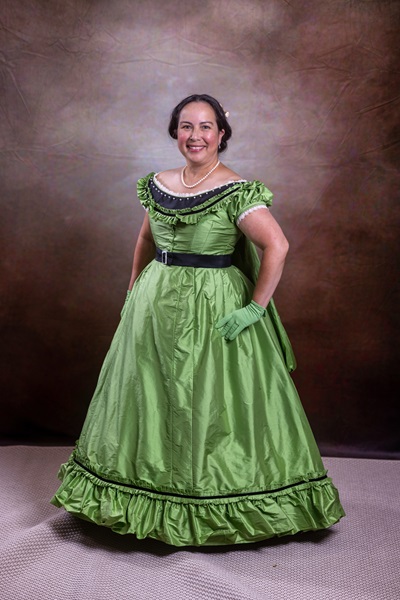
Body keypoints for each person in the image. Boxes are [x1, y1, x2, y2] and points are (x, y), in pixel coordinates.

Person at [51, 93, 345, 546]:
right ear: (175, 133)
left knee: (206, 399)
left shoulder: (235, 188)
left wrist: (255, 307)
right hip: (155, 304)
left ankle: (209, 501)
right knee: (149, 392)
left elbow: (277, 246)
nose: (196, 136)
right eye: (186, 126)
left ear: (221, 134)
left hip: (214, 306)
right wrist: (133, 289)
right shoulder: (159, 184)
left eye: (206, 127)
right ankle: (146, 493)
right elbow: (146, 238)